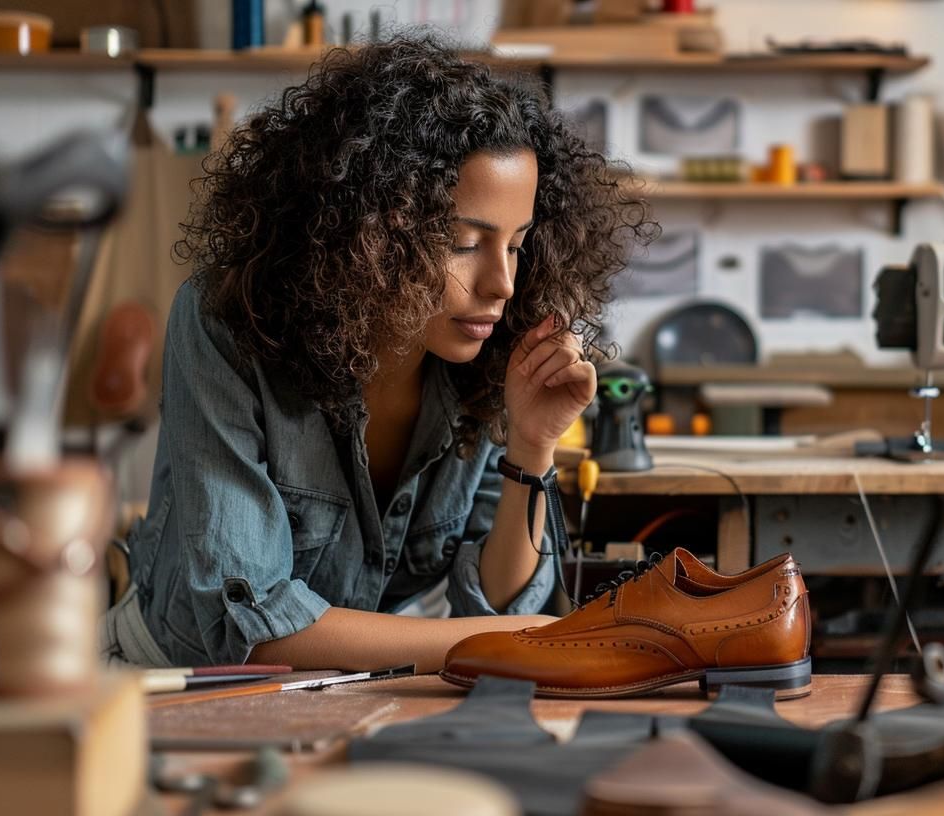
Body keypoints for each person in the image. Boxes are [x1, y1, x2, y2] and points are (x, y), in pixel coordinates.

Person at [102, 34, 652, 672]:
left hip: (363, 686)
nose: (502, 283)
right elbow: (248, 629)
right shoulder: (227, 324)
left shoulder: (488, 353)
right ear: (368, 232)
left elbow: (495, 604)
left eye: (518, 244)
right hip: (175, 683)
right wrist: (508, 641)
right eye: (463, 242)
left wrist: (532, 446)